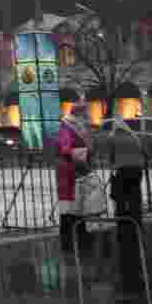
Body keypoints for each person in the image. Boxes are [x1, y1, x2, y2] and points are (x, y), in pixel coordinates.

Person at [108, 119, 147, 297]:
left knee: (122, 197)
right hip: (137, 170)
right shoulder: (134, 136)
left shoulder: (113, 136)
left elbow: (111, 156)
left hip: (122, 169)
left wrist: (112, 167)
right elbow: (144, 153)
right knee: (134, 195)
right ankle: (135, 214)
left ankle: (123, 215)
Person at [58, 102, 93, 252]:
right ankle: (70, 240)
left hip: (77, 171)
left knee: (78, 205)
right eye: (85, 114)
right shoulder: (67, 127)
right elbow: (65, 149)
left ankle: (79, 236)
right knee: (68, 207)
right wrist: (82, 156)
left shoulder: (78, 127)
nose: (88, 117)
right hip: (69, 171)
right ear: (78, 114)